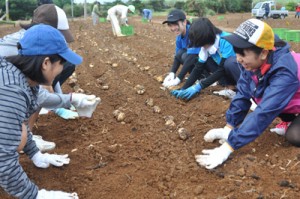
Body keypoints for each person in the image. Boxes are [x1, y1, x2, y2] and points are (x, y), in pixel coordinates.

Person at [195, 18, 300, 170]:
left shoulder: (285, 72)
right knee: (259, 93)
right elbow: (243, 93)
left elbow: (265, 111)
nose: (238, 59)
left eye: (242, 53)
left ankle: (292, 122)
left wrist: (228, 148)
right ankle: (290, 120)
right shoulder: (253, 63)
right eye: (237, 52)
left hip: (291, 94)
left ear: (263, 53)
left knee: (295, 136)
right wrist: (229, 128)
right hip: (292, 97)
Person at [0, 4, 100, 152]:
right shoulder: (30, 48)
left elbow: (44, 86)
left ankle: (26, 138)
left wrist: (69, 99)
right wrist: (64, 102)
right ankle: (21, 138)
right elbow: (41, 92)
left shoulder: (30, 42)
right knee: (20, 136)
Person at [0, 24, 82, 199]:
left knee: (20, 131)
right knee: (16, 138)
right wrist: (37, 195)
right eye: (61, 64)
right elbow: (3, 159)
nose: (61, 70)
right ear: (46, 63)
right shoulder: (11, 90)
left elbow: (20, 122)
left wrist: (36, 154)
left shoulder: (22, 78)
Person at [170, 17, 240, 100]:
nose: (202, 47)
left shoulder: (226, 40)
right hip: (227, 71)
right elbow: (198, 68)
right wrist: (183, 89)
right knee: (202, 61)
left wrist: (199, 86)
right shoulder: (206, 45)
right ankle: (231, 88)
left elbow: (222, 69)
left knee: (228, 63)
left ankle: (244, 91)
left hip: (241, 72)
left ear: (207, 36)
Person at [162, 10, 201, 88]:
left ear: (184, 22)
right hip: (196, 61)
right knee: (180, 53)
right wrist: (172, 73)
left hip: (210, 63)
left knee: (186, 56)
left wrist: (179, 78)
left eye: (175, 24)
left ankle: (203, 77)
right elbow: (177, 56)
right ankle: (197, 76)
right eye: (170, 25)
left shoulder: (193, 32)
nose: (172, 28)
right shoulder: (179, 37)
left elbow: (191, 57)